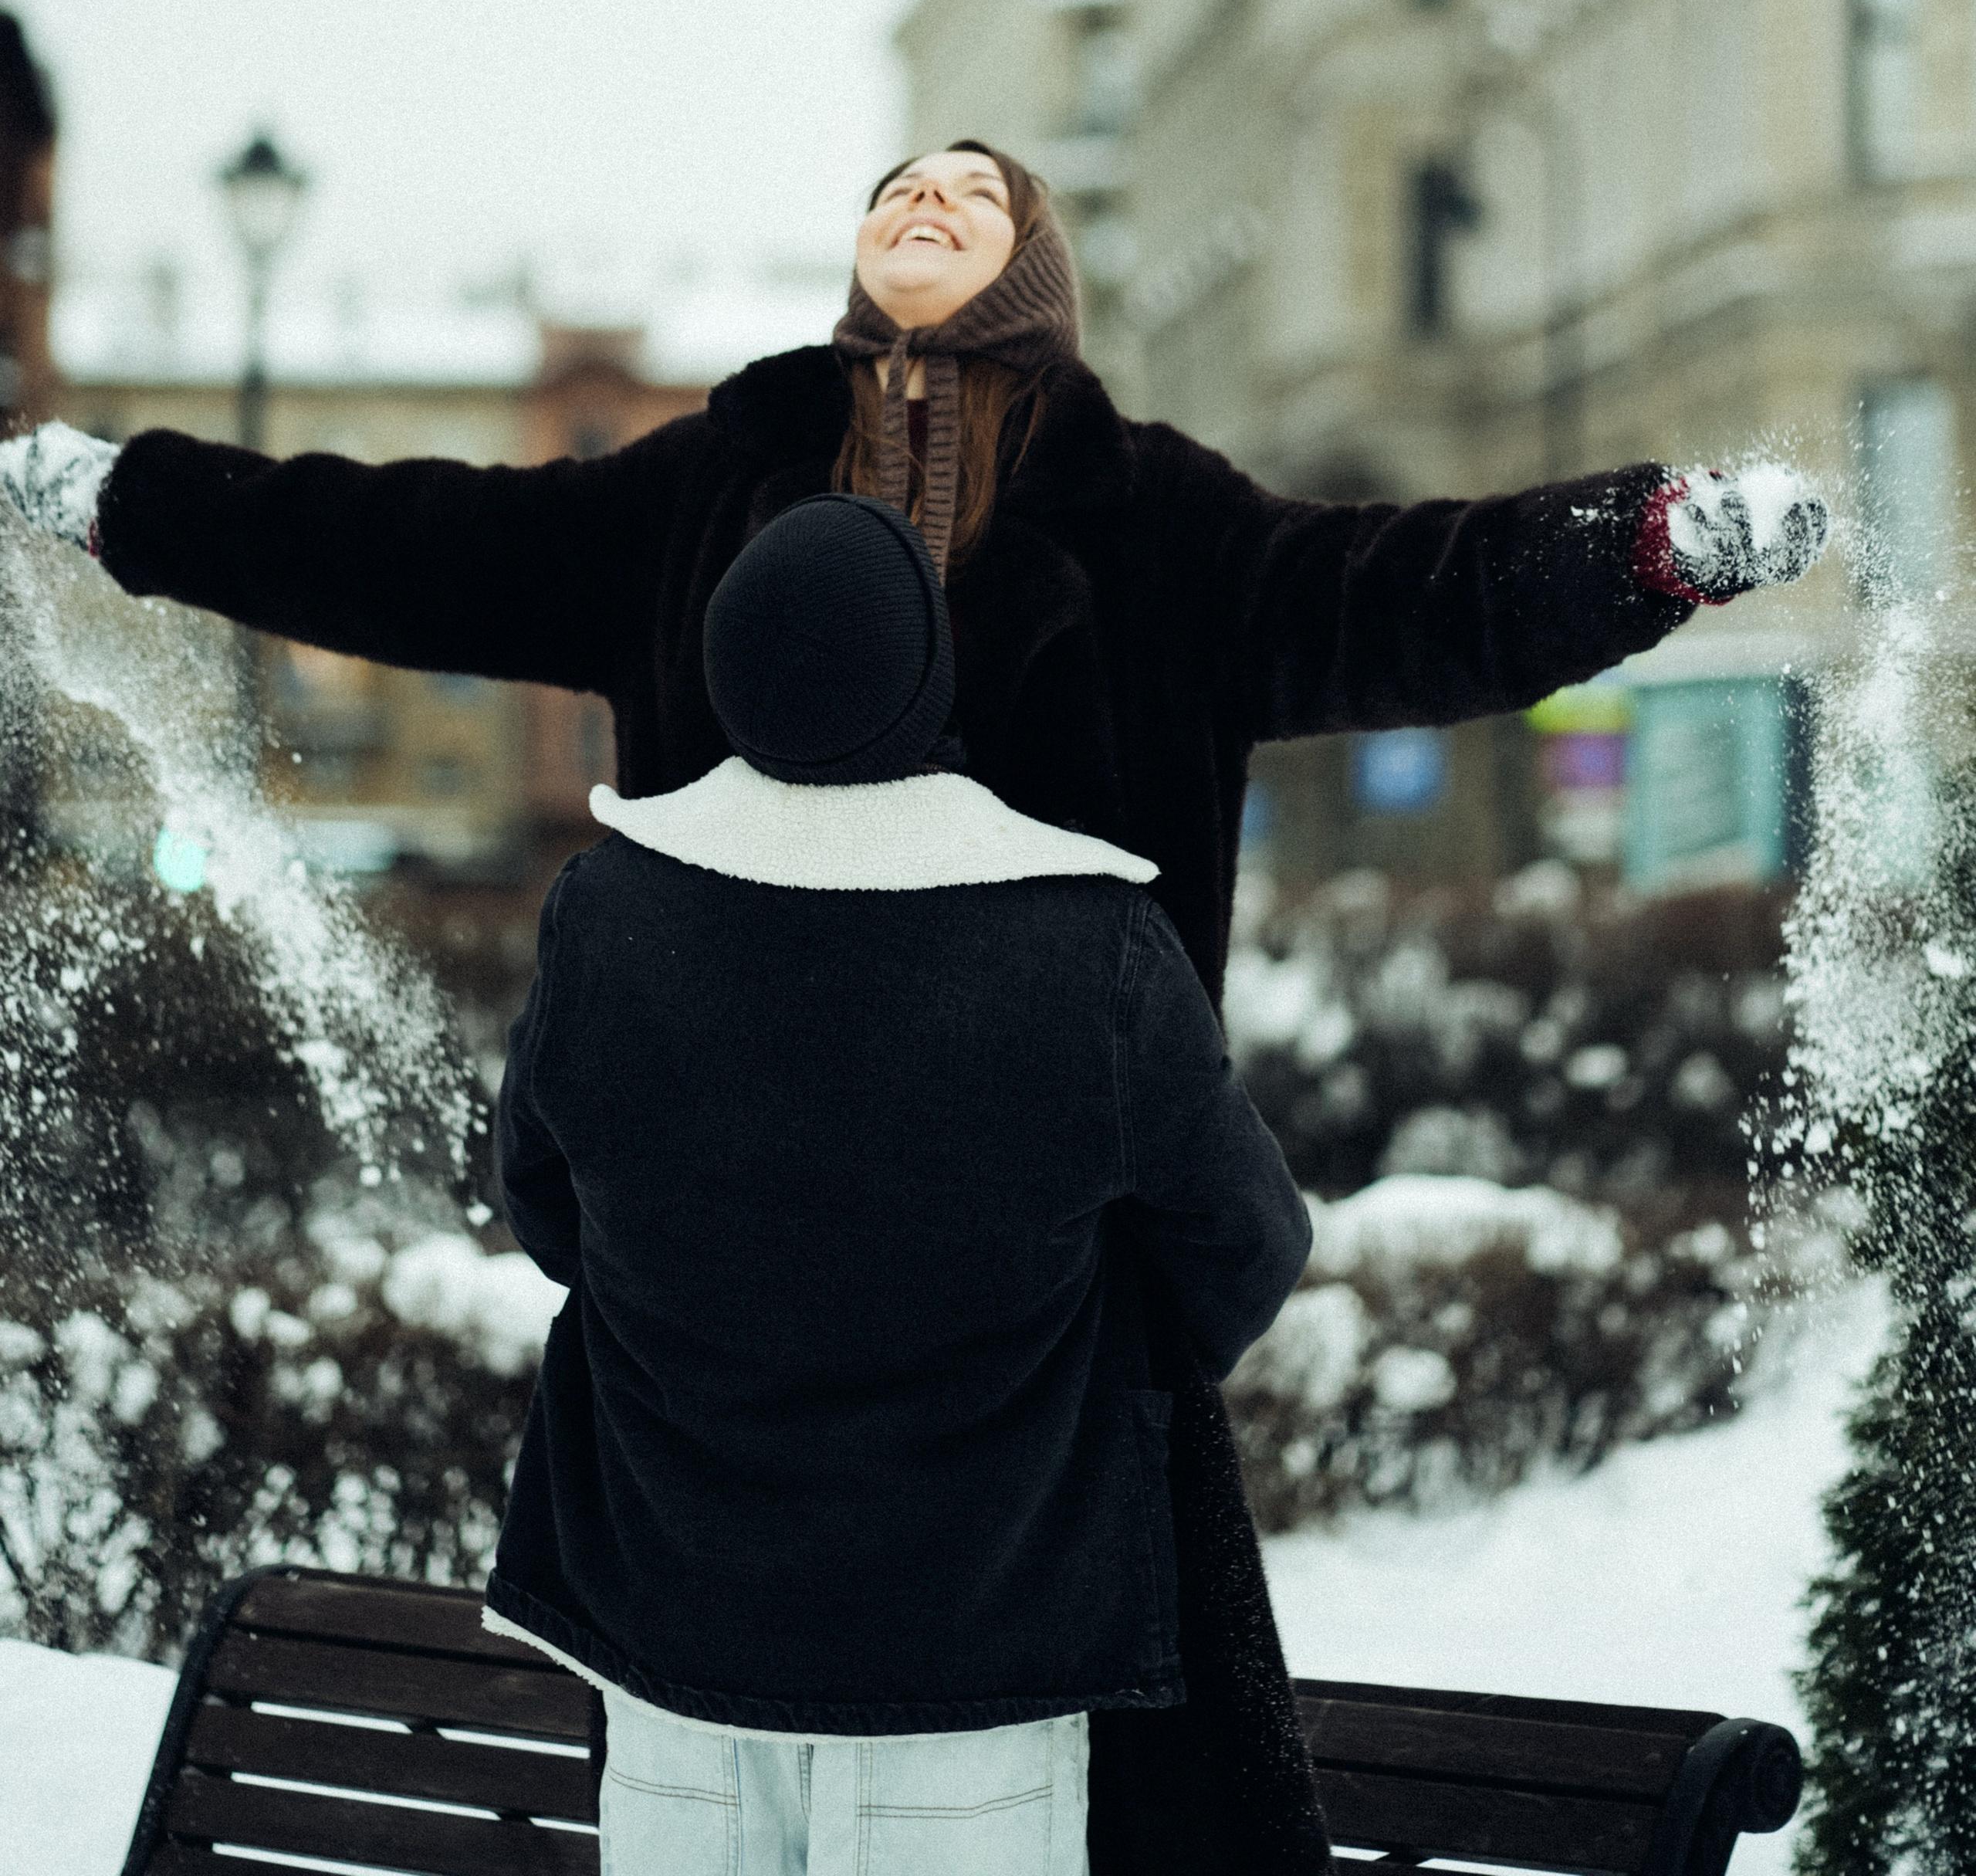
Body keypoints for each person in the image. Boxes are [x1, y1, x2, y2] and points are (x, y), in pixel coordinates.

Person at [0, 141, 1831, 1874]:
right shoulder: (710, 485)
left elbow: (1402, 591)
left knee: (1148, 1796)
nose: (924, 201)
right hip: (734, 1278)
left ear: (1031, 269)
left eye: (972, 192)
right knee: (720, 1749)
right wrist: (133, 504)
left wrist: (1645, 543)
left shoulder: (1157, 522)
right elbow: (411, 541)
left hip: (1047, 1263)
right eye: (897, 187)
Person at [486, 488, 1313, 1876]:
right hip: (980, 1649)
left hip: (673, 1636)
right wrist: (1083, 1364)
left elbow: (547, 1208)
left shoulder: (609, 915)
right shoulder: (1088, 945)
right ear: (930, 673)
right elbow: (1247, 1242)